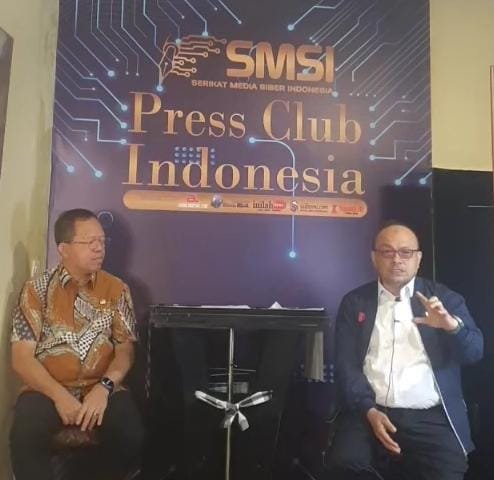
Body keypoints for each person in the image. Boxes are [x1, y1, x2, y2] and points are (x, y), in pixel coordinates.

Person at [330, 221, 483, 480]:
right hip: (369, 411)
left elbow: (475, 352)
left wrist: (451, 326)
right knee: (346, 464)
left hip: (430, 417)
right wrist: (369, 410)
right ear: (374, 258)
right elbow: (347, 365)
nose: (397, 260)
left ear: (418, 258)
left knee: (448, 472)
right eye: (387, 252)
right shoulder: (356, 302)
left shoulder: (444, 299)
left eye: (405, 252)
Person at [10, 208, 144, 480]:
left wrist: (104, 388)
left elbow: (125, 350)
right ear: (64, 249)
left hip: (101, 386)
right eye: (89, 242)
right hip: (46, 389)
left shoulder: (117, 289)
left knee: (131, 433)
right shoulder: (36, 290)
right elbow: (21, 358)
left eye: (102, 241)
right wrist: (60, 396)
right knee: (25, 433)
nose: (99, 248)